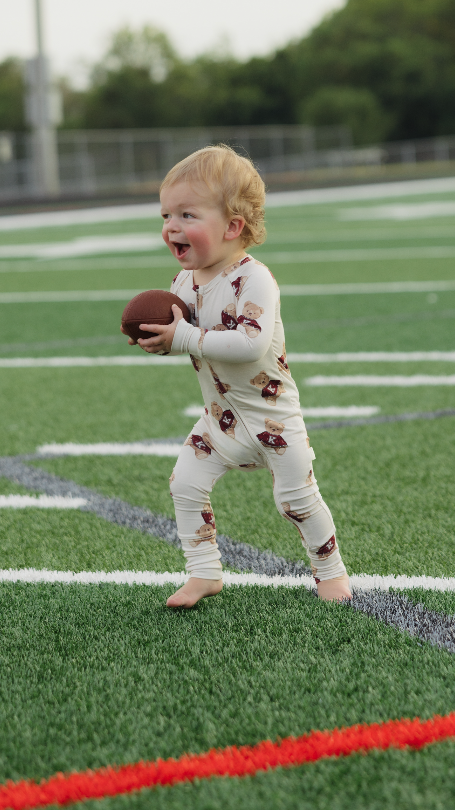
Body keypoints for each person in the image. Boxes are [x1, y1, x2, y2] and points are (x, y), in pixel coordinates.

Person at [128, 144, 350, 609]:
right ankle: (204, 572)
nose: (171, 226)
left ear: (232, 226)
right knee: (185, 485)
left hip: (272, 418)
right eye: (166, 215)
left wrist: (184, 337)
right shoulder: (183, 282)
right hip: (220, 418)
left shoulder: (254, 280)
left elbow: (249, 344)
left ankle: (330, 572)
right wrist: (162, 339)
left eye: (187, 215)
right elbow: (191, 338)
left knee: (297, 501)